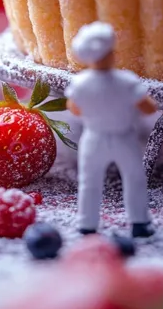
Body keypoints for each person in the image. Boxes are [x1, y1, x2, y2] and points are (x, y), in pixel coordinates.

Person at [66, 21, 156, 236]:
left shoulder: (80, 83)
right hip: (123, 136)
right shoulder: (126, 81)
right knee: (134, 178)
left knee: (90, 182)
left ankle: (87, 224)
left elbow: (74, 109)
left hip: (93, 137)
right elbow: (149, 108)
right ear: (109, 54)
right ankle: (139, 223)